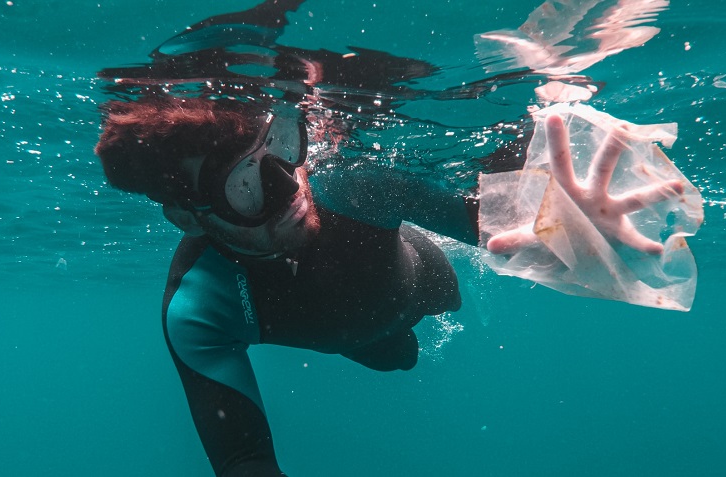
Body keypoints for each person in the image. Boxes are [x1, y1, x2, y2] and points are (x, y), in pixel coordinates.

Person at [93, 91, 683, 476]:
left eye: (279, 151)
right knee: (396, 358)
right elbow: (244, 458)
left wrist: (567, 222)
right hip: (360, 333)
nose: (291, 187)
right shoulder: (198, 306)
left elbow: (497, 225)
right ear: (188, 215)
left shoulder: (350, 189)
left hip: (427, 281)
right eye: (244, 186)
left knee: (425, 312)